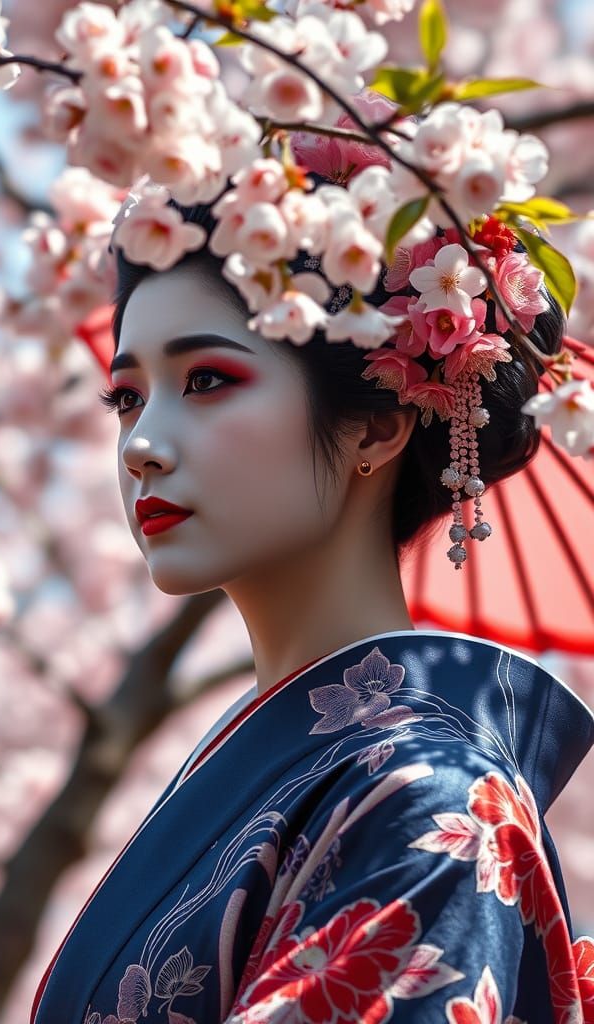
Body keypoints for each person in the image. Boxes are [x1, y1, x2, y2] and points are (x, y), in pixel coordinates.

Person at [30, 169, 594, 1024]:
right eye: (126, 396)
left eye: (208, 380)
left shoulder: (434, 797)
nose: (141, 443)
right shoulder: (285, 768)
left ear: (376, 425)